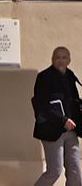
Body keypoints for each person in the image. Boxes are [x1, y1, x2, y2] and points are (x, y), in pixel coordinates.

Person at [33, 46, 82, 186]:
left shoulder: (70, 76)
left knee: (75, 172)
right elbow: (42, 105)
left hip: (71, 130)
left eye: (64, 57)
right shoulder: (44, 77)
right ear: (52, 59)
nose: (61, 60)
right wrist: (63, 120)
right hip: (52, 131)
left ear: (69, 60)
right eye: (57, 57)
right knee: (54, 171)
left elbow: (73, 101)